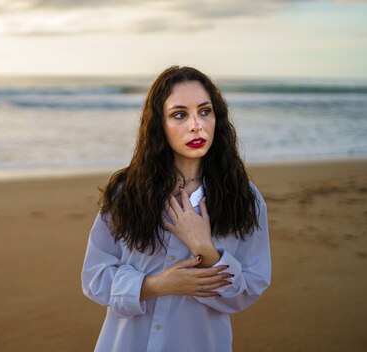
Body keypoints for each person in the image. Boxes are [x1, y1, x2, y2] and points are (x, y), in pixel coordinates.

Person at [81, 66, 271, 352]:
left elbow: (247, 291)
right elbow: (94, 277)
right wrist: (156, 285)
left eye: (205, 111)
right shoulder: (126, 192)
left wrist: (206, 249)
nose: (196, 125)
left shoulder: (245, 198)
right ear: (159, 123)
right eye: (180, 114)